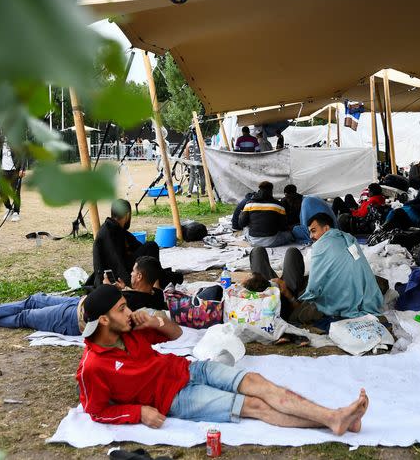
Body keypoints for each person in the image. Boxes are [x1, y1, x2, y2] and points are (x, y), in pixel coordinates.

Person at [76, 284, 369, 432]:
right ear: (103, 320)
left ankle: (337, 418)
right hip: (175, 399)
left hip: (189, 369)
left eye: (127, 307)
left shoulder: (131, 329)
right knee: (253, 406)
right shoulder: (93, 366)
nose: (129, 313)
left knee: (254, 381)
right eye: (121, 309)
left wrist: (156, 322)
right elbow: (96, 410)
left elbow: (176, 334)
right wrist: (137, 413)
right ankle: (333, 420)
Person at [0, 256, 167, 334]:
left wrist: (108, 288)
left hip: (74, 319)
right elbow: (151, 288)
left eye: (133, 271)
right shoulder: (156, 296)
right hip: (77, 304)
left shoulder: (129, 301)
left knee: (25, 316)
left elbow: (106, 311)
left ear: (139, 276)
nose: (130, 273)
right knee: (34, 299)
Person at [250, 213, 384, 327]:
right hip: (293, 290)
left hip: (280, 301)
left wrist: (286, 292)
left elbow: (313, 289)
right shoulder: (348, 238)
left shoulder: (321, 246)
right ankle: (281, 289)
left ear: (326, 229)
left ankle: (273, 291)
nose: (311, 236)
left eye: (313, 231)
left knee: (258, 252)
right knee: (292, 252)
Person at [92, 199, 160, 287]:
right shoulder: (108, 232)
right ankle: (155, 284)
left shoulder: (115, 228)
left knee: (149, 250)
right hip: (116, 273)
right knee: (151, 246)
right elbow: (117, 262)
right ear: (127, 215)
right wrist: (128, 284)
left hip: (124, 266)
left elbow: (137, 247)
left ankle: (155, 279)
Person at [238, 181, 292, 247]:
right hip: (271, 241)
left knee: (246, 228)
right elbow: (283, 227)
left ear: (259, 189)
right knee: (289, 234)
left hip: (253, 241)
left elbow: (241, 224)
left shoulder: (249, 203)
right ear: (271, 191)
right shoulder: (279, 205)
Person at [0, 128, 25, 222]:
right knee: (1, 190)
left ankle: (16, 212)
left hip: (15, 170)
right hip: (4, 170)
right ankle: (9, 209)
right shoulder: (0, 139)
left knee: (16, 192)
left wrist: (22, 168)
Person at [185, 134, 205, 198]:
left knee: (192, 177)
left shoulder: (188, 144)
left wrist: (189, 161)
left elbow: (186, 153)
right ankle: (202, 192)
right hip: (200, 162)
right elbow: (205, 151)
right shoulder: (201, 142)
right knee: (202, 176)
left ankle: (189, 192)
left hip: (192, 162)